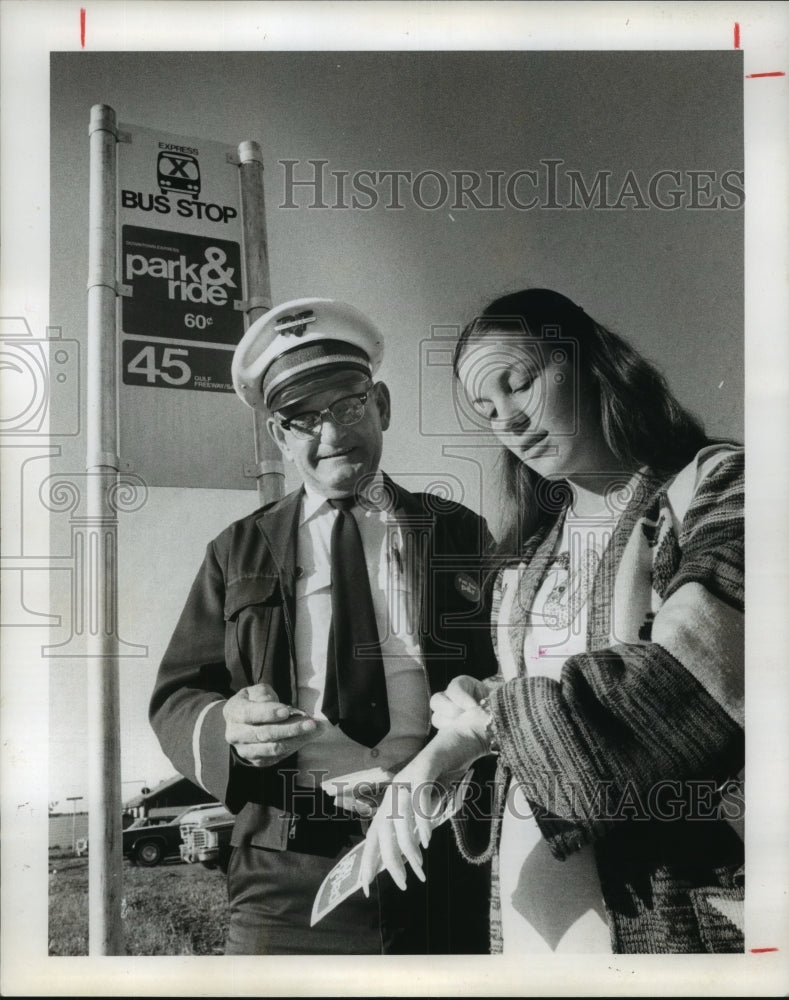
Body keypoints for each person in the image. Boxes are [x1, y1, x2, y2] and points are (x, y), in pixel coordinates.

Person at [360, 288, 744, 955]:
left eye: (520, 384)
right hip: (540, 922)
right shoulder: (527, 559)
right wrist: (477, 699)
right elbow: (534, 696)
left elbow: (693, 670)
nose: (506, 419)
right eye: (486, 408)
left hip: (679, 902)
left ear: (590, 362)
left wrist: (477, 730)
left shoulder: (715, 486)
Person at [149, 297, 495, 955]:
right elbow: (177, 696)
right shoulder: (236, 550)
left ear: (382, 405)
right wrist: (226, 727)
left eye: (347, 406)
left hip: (435, 859)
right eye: (302, 418)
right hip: (286, 880)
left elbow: (510, 667)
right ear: (279, 435)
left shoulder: (456, 533)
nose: (330, 434)